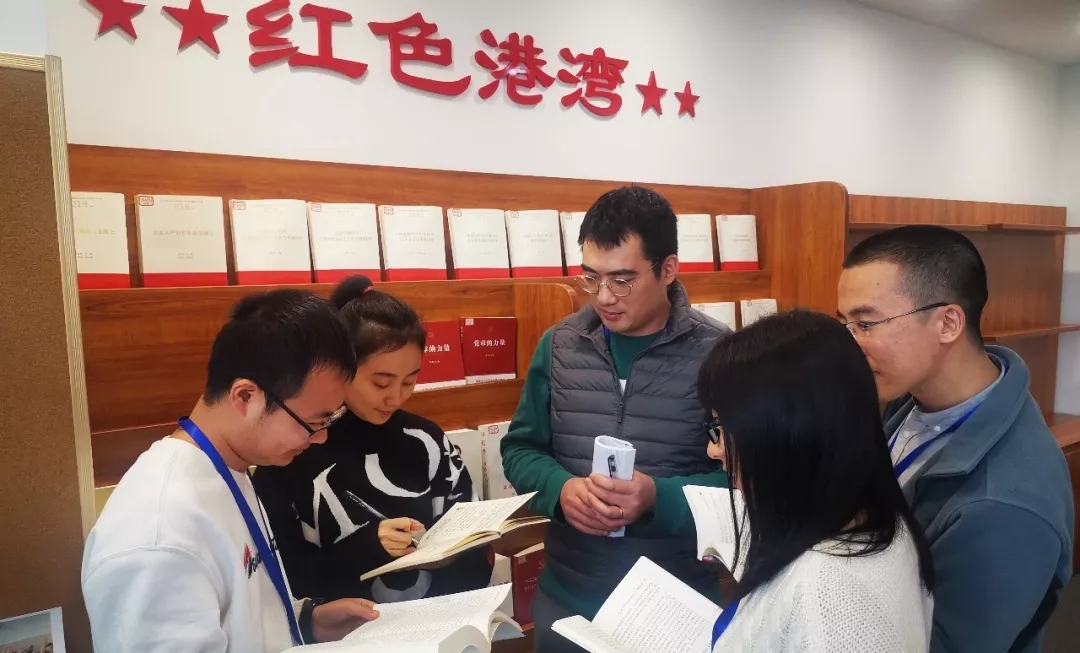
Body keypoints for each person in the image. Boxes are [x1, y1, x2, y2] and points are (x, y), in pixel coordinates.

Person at [82, 289, 380, 652]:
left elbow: (232, 610)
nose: (320, 438)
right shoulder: (159, 535)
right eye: (314, 422)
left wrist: (307, 621)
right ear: (246, 397)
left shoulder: (228, 469)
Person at [500, 185, 731, 652]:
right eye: (591, 278)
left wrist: (658, 498)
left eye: (622, 280)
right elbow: (521, 448)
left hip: (675, 604)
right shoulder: (559, 345)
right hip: (567, 600)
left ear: (668, 269)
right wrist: (560, 490)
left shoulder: (722, 354)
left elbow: (747, 483)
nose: (604, 297)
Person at [838, 225, 1074, 653]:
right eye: (846, 324)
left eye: (866, 324)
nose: (850, 344)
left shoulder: (1004, 503)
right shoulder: (909, 396)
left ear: (948, 323)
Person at [700, 310, 935, 652]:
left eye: (721, 429)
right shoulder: (872, 521)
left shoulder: (830, 596)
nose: (713, 449)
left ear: (786, 438)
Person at [253, 275, 491, 604]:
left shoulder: (427, 439)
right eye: (381, 383)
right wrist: (366, 548)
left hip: (439, 620)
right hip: (344, 628)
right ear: (342, 368)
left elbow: (476, 550)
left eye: (409, 381)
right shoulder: (292, 448)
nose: (396, 398)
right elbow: (279, 576)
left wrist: (452, 556)